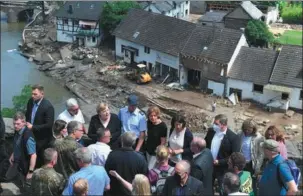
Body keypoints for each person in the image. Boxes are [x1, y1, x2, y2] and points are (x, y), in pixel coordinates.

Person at [204, 114, 240, 195]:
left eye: (216, 124)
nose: (214, 125)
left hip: (223, 169)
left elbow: (234, 156)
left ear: (223, 125)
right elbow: (205, 145)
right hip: (209, 166)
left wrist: (220, 162)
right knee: (208, 187)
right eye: (214, 123)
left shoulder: (233, 138)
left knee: (223, 189)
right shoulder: (211, 132)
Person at [105, 131, 148, 196]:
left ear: (121, 141)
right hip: (132, 192)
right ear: (134, 142)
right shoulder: (140, 158)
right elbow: (144, 176)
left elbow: (107, 172)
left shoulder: (112, 155)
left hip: (115, 191)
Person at [25, 84, 54, 167]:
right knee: (29, 155)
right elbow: (27, 114)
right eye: (32, 94)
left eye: (35, 94)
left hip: (42, 139)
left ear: (42, 94)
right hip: (30, 135)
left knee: (40, 159)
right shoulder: (31, 101)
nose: (33, 96)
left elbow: (49, 125)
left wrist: (33, 127)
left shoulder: (48, 107)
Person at [6, 112, 37, 189]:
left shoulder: (27, 136)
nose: (15, 126)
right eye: (14, 123)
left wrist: (30, 172)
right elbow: (17, 144)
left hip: (24, 165)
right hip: (17, 161)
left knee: (24, 186)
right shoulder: (18, 131)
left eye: (18, 123)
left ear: (24, 122)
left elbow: (33, 155)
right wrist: (13, 154)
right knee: (9, 177)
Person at [238, 119, 264, 193]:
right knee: (240, 183)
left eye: (249, 130)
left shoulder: (258, 137)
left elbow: (261, 154)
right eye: (245, 129)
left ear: (254, 129)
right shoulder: (240, 134)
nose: (247, 131)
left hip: (250, 165)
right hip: (240, 163)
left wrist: (257, 167)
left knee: (249, 186)